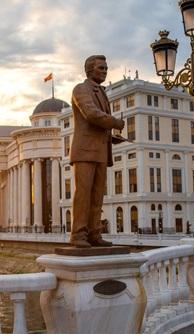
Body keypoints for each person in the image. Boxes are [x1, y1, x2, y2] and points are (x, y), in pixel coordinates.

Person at [69, 55, 125, 248]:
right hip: (84, 151)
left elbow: (98, 123)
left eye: (106, 68)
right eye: (101, 68)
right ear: (89, 70)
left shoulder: (101, 92)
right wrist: (115, 122)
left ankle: (94, 234)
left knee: (97, 196)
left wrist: (112, 136)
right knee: (83, 194)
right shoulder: (81, 89)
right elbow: (91, 114)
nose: (105, 71)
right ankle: (78, 235)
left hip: (101, 151)